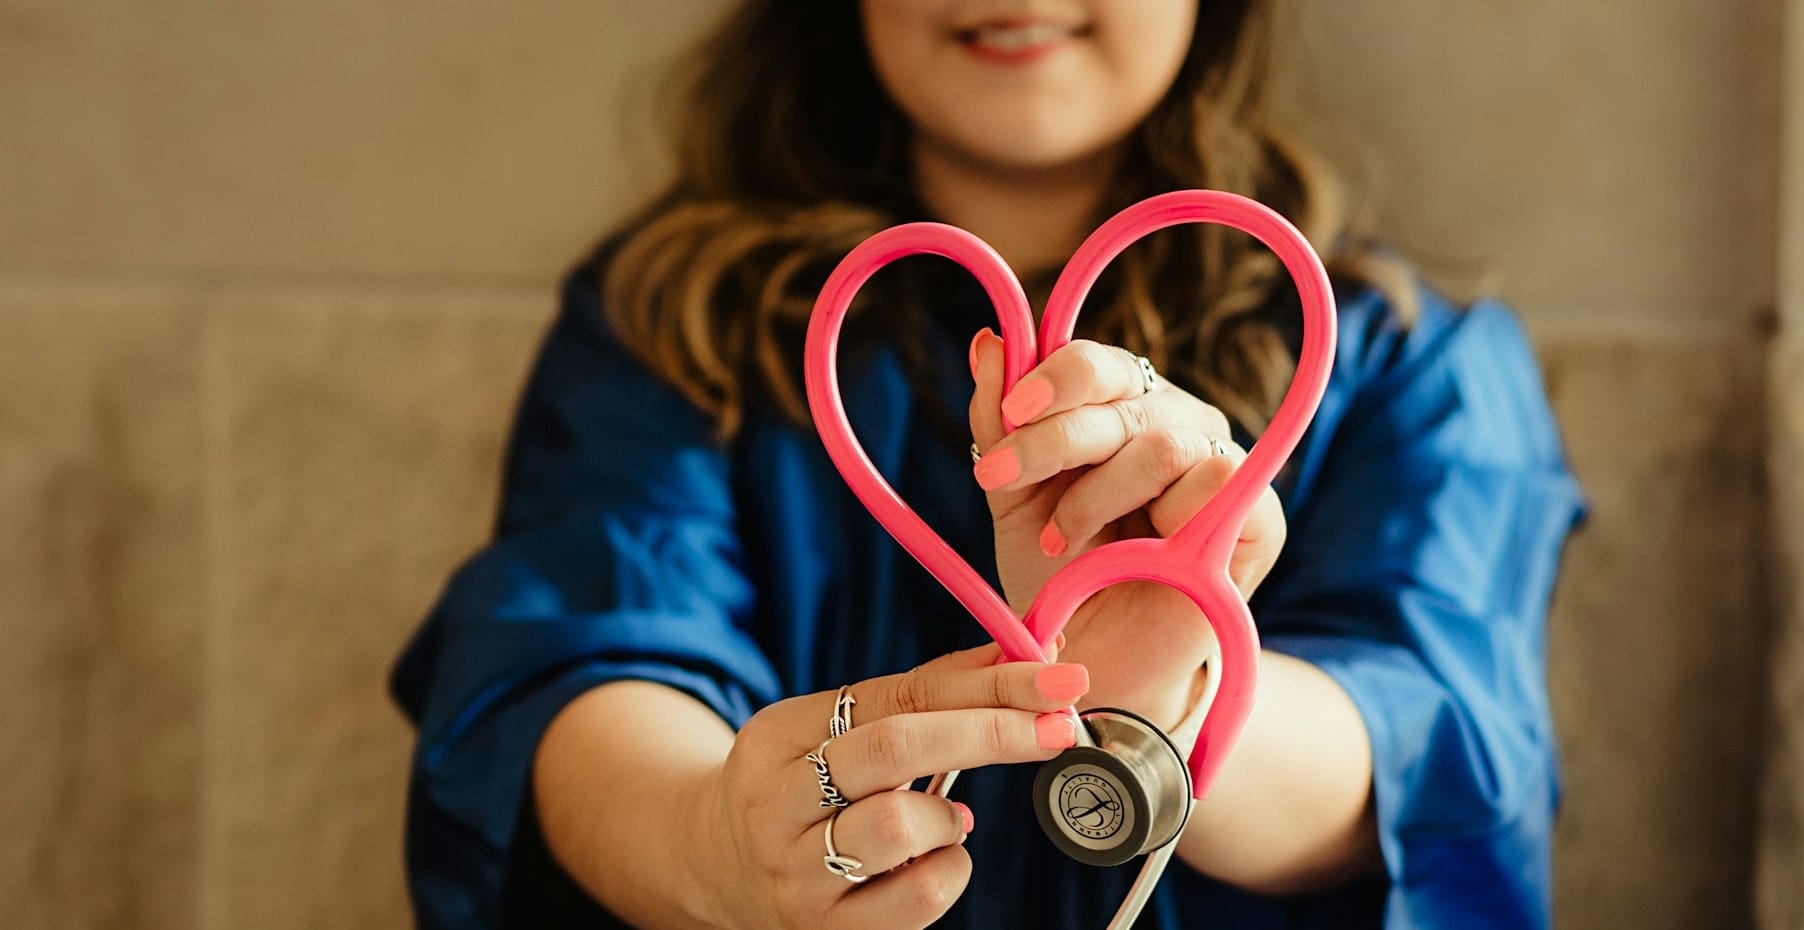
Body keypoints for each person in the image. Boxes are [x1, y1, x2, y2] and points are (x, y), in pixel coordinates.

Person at [391, 1, 1585, 928]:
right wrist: (714, 847)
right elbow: (568, 661)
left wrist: (1164, 703)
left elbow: (1434, 745)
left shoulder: (1409, 362)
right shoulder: (665, 327)